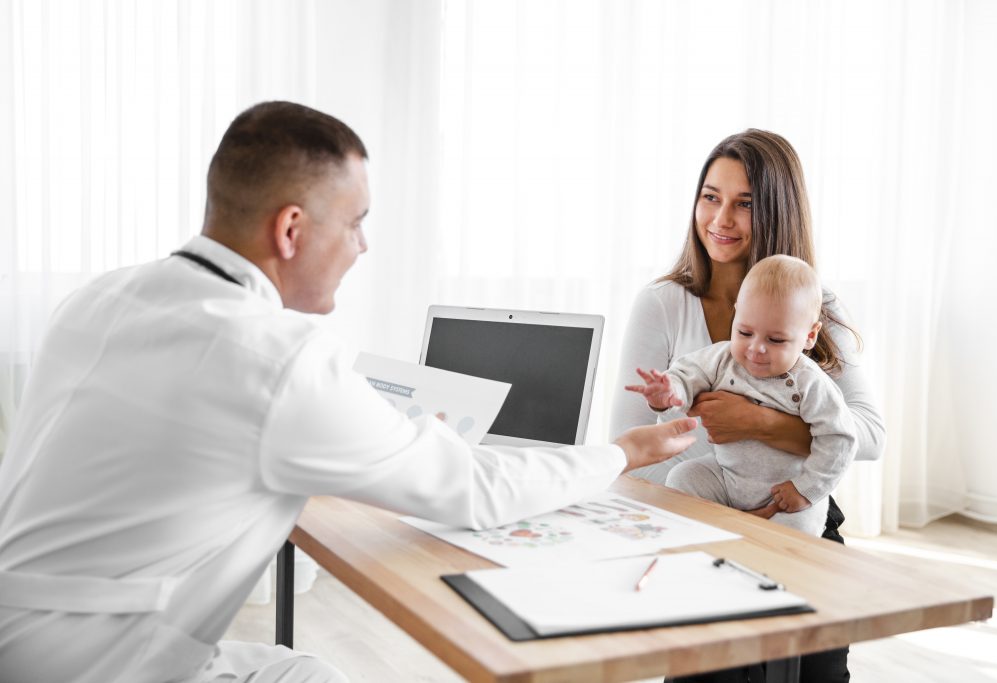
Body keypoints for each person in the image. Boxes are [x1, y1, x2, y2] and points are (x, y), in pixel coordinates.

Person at [0, 101, 699, 683]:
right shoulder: (272, 354)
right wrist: (623, 451)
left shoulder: (98, 297)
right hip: (98, 666)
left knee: (311, 671)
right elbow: (475, 487)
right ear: (291, 228)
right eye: (356, 221)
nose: (363, 247)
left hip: (23, 640)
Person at [611, 129, 885, 683]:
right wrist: (723, 508)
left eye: (744, 204)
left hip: (795, 507)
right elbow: (629, 451)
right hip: (701, 514)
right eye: (710, 197)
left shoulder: (817, 306)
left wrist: (761, 424)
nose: (721, 219)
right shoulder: (663, 305)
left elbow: (871, 436)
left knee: (818, 670)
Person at [627, 255, 858, 537]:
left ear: (809, 336)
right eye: (745, 332)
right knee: (684, 476)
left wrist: (807, 489)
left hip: (787, 491)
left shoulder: (810, 383)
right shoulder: (722, 358)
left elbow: (841, 439)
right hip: (727, 477)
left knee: (791, 537)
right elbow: (688, 373)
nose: (756, 348)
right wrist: (668, 391)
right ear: (736, 315)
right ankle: (697, 542)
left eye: (775, 340)